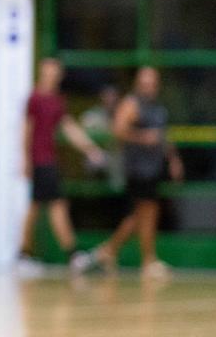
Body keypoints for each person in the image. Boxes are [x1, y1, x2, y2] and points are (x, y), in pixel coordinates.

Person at [82, 66, 183, 279]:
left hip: (154, 167)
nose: (149, 86)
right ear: (138, 83)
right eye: (145, 82)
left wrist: (173, 159)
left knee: (147, 213)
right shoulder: (131, 104)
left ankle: (120, 254)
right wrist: (142, 137)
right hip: (138, 168)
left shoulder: (157, 107)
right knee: (139, 214)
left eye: (153, 82)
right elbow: (117, 130)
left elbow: (163, 136)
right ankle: (118, 253)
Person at [17, 58, 106, 272]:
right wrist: (26, 160)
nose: (51, 76)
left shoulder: (57, 101)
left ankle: (24, 254)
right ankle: (69, 253)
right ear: (41, 73)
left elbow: (69, 128)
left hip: (49, 159)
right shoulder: (35, 99)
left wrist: (90, 148)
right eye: (47, 72)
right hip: (40, 160)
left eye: (54, 72)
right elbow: (26, 130)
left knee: (37, 206)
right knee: (54, 205)